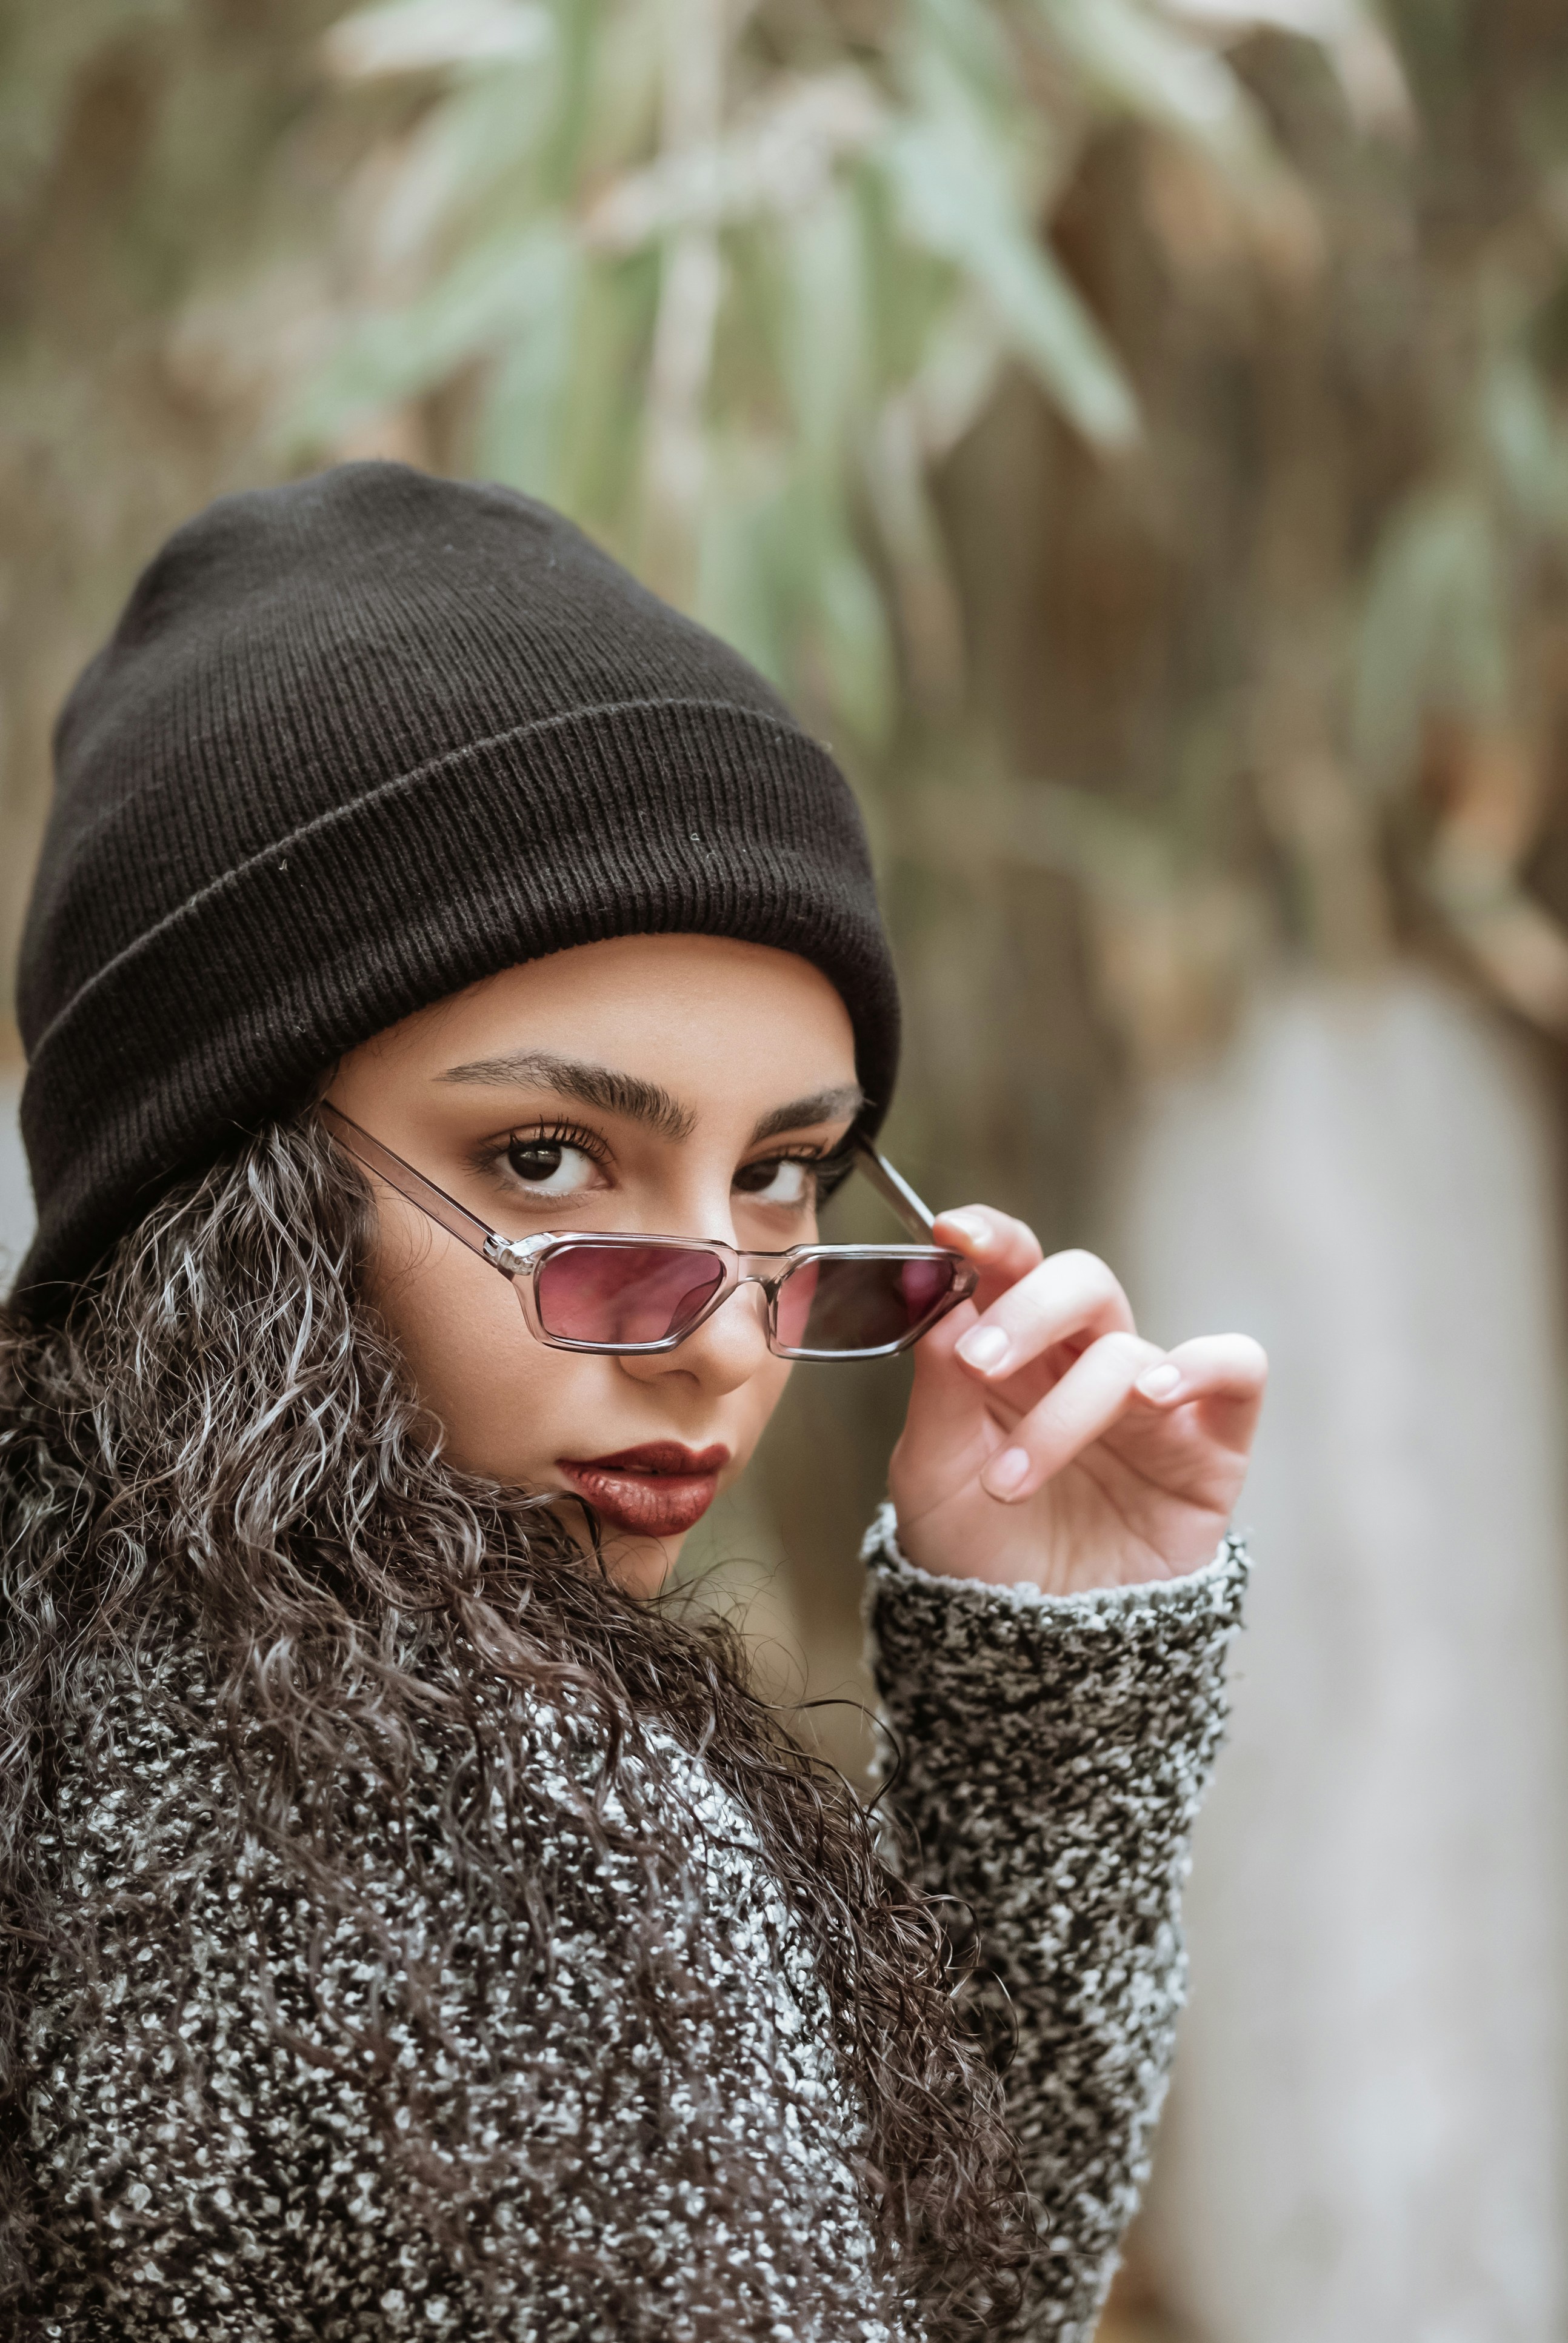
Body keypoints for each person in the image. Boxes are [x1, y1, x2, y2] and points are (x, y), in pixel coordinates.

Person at [0, 464, 1264, 2342]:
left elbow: (898, 2281)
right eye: (543, 1155)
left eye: (780, 1177)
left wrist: (1046, 1669)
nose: (721, 1337)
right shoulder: (486, 1817)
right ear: (217, 1181)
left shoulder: (106, 1697)